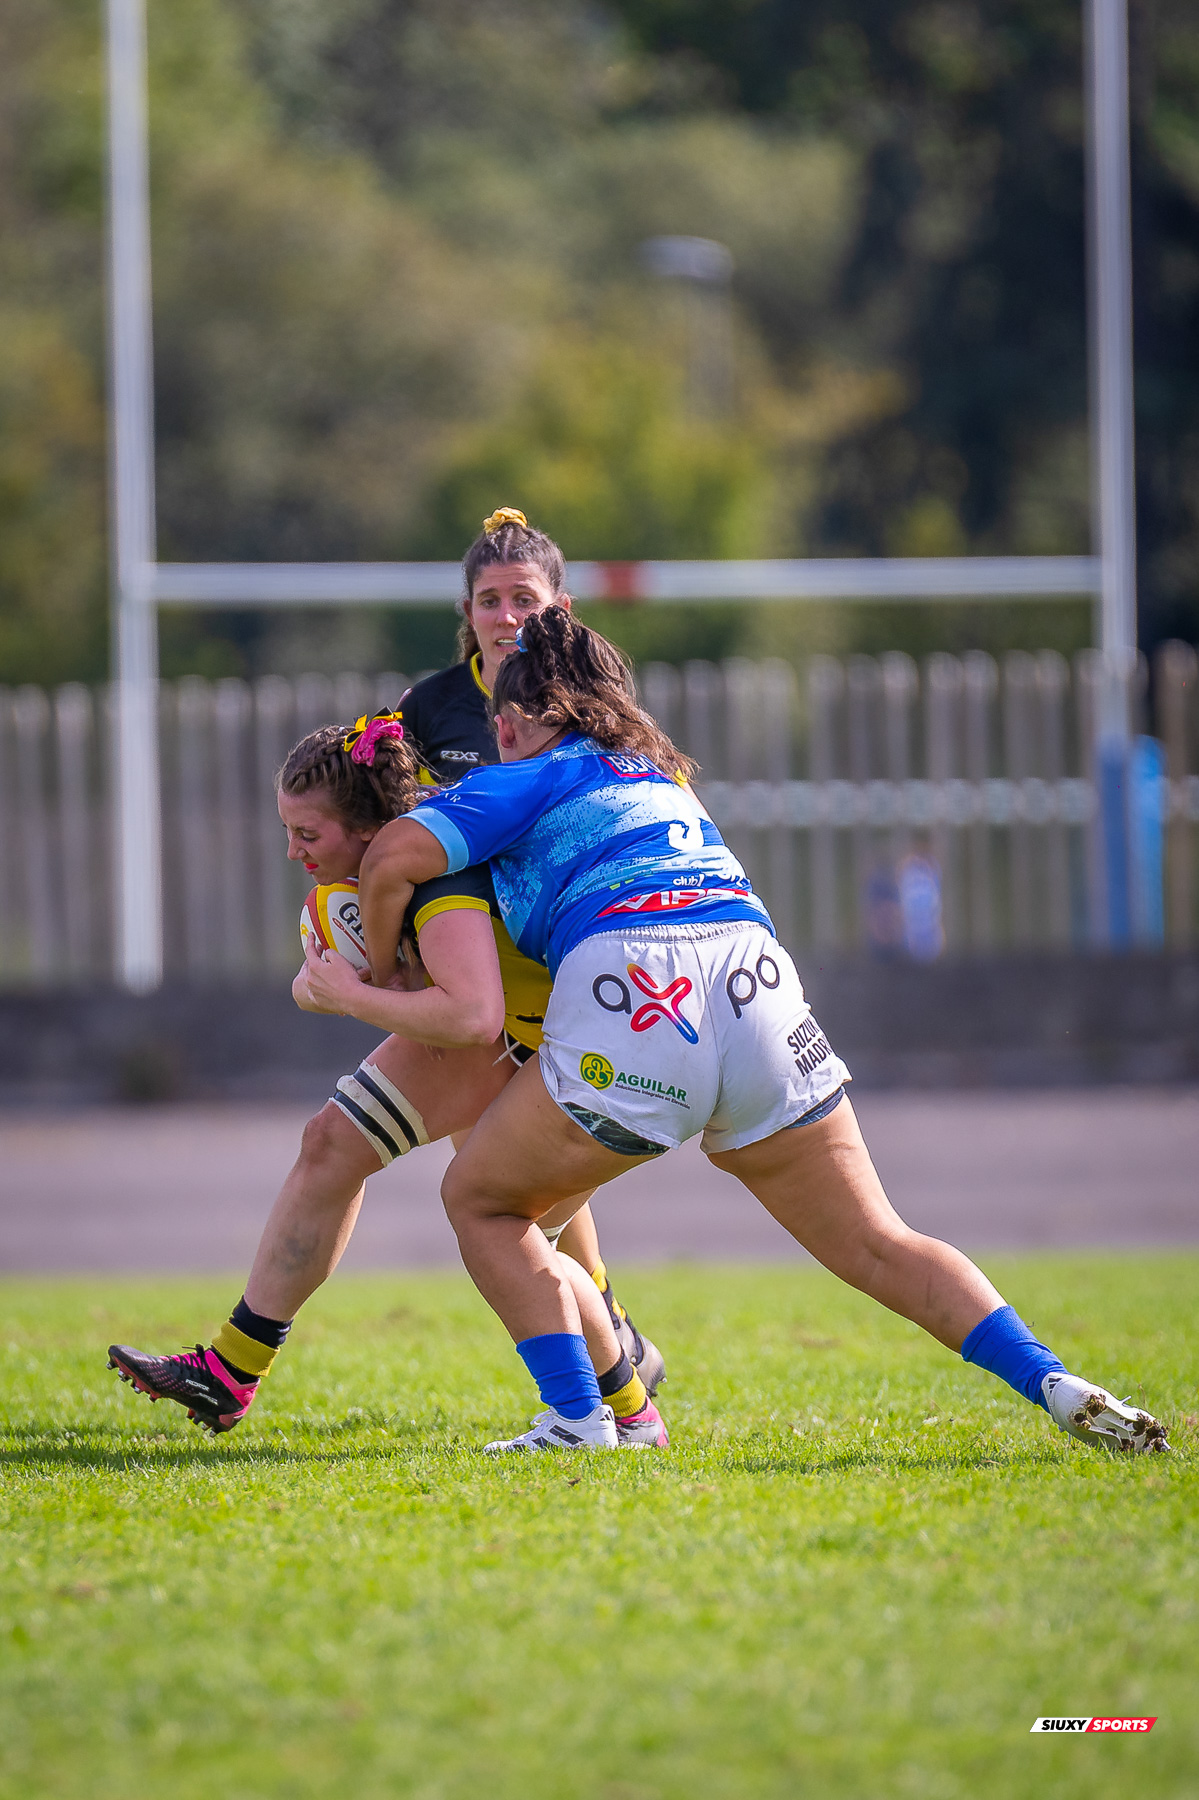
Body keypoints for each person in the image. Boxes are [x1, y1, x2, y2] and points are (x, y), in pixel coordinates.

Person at [356, 605, 1171, 1456]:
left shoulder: (517, 777)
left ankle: (579, 1418)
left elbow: (388, 860)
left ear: (510, 722)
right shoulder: (657, 778)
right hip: (758, 984)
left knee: (483, 1201)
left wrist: (374, 974)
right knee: (879, 1241)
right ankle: (1053, 1382)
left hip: (638, 988)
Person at [107, 708, 667, 1447]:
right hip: (522, 1042)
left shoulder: (436, 873)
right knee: (334, 1145)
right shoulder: (388, 869)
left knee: (515, 1232)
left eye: (308, 835)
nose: (292, 851)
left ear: (368, 830)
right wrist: (349, 979)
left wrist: (348, 993)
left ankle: (621, 1409)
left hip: (559, 1054)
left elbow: (469, 1015)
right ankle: (231, 1368)